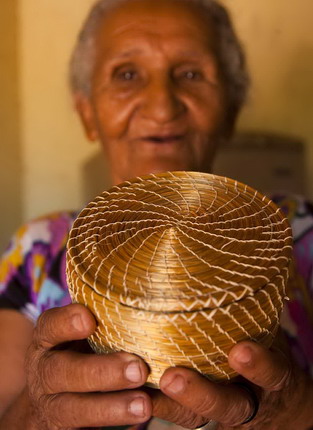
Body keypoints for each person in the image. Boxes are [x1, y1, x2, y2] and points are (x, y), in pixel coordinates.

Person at [1, 0, 313, 428]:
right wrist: (40, 411)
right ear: (88, 113)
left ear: (231, 110)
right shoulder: (37, 250)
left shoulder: (303, 234)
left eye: (190, 74)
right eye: (127, 74)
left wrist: (288, 409)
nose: (162, 106)